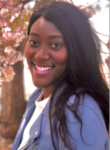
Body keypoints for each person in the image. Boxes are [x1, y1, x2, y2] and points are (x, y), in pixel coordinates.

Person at [12, 1, 109, 150]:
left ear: (77, 50)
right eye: (33, 41)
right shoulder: (36, 99)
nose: (40, 55)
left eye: (56, 45)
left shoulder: (79, 110)